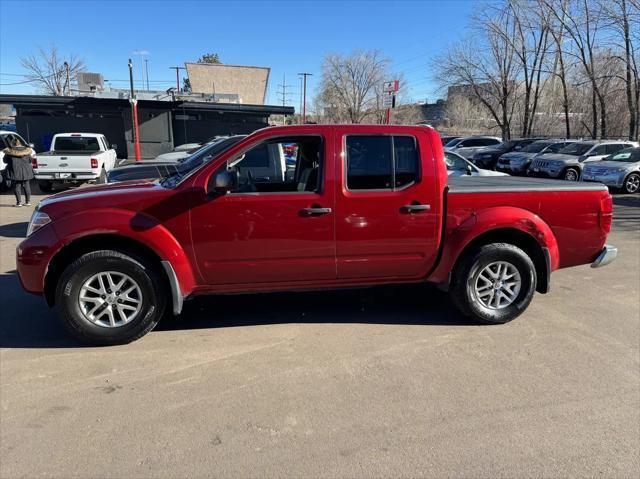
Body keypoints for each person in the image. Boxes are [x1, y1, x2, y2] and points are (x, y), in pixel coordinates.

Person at [2, 136, 35, 207]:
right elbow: (30, 160)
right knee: (27, 185)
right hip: (26, 170)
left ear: (12, 144)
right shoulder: (26, 150)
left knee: (17, 186)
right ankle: (28, 202)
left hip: (15, 170)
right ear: (20, 143)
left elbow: (5, 161)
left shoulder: (10, 151)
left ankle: (19, 203)